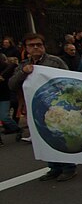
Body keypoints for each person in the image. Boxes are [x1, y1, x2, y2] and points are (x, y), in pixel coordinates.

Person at [9, 33, 77, 181]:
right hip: (36, 108)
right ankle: (53, 167)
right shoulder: (23, 65)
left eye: (38, 44)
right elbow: (12, 84)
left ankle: (68, 167)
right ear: (26, 48)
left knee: (59, 136)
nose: (35, 48)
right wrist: (23, 72)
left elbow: (69, 80)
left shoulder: (54, 61)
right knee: (44, 137)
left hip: (57, 106)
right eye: (31, 45)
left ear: (43, 46)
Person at [0, 53, 20, 137]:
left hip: (4, 95)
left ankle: (17, 129)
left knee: (4, 117)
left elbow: (13, 65)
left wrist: (2, 76)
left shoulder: (7, 68)